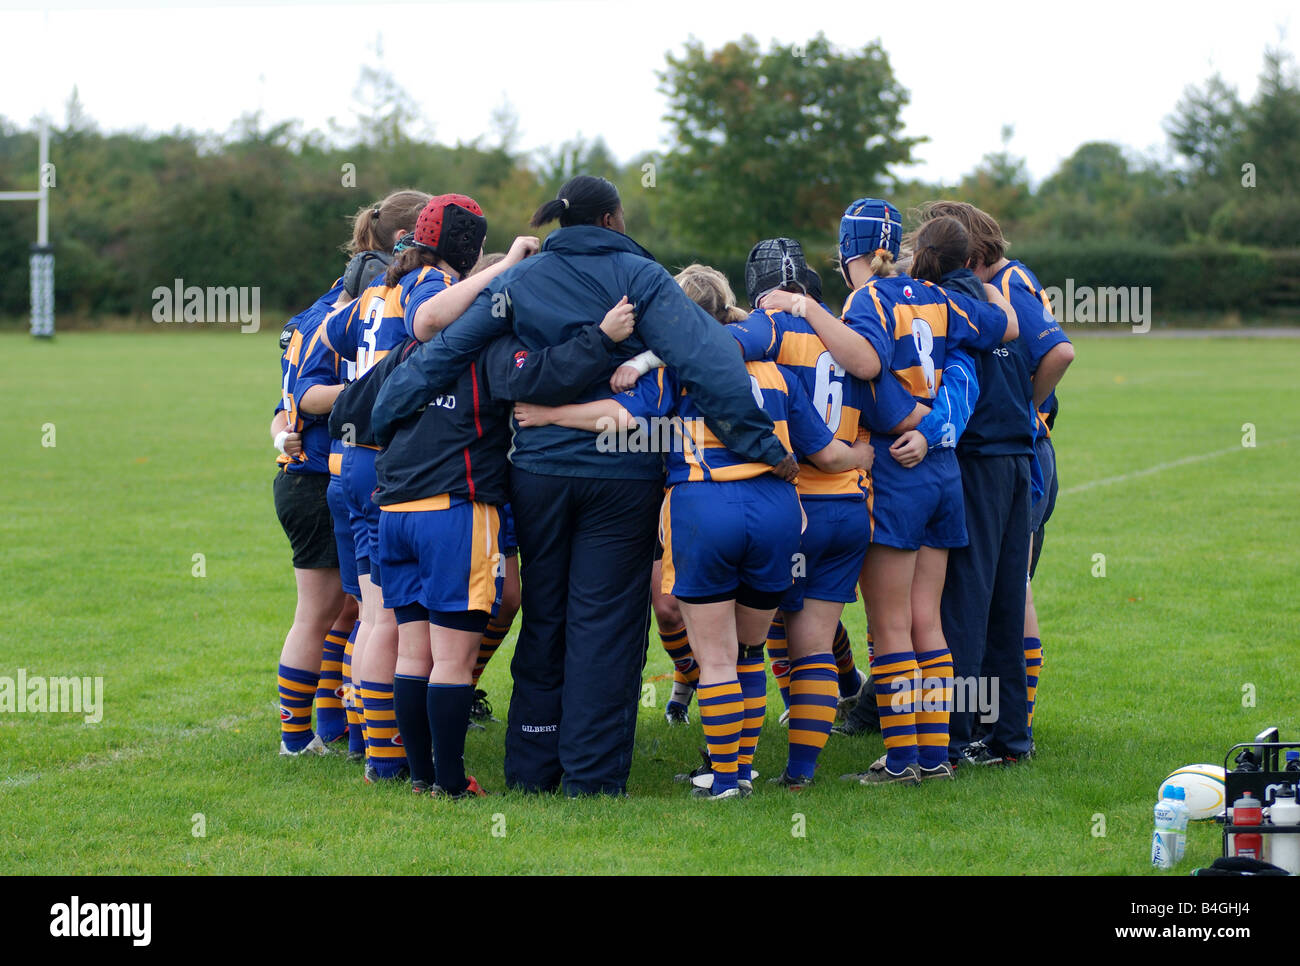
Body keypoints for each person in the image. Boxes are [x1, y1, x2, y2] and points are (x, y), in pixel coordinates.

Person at [373, 175, 795, 797]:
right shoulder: (642, 276)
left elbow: (449, 346)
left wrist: (388, 404)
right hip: (620, 473)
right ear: (612, 218)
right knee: (606, 621)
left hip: (539, 473)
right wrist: (762, 443)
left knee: (548, 613)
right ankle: (592, 777)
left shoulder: (523, 277)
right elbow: (708, 358)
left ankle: (533, 766)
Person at [514, 292, 871, 799]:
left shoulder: (677, 366)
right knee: (749, 650)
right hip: (777, 513)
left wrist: (550, 415)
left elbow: (621, 419)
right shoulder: (780, 375)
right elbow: (828, 455)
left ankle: (727, 779)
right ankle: (746, 770)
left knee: (718, 658)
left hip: (707, 506)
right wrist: (865, 454)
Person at [788, 200, 1017, 785]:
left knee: (891, 627)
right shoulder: (939, 296)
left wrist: (807, 308)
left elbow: (864, 361)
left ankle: (900, 761)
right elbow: (1005, 327)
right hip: (944, 472)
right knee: (927, 621)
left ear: (848, 257)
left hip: (896, 468)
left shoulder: (868, 298)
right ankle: (936, 755)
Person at [916, 201, 1073, 764]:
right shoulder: (996, 300)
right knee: (1007, 598)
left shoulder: (947, 306)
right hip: (1018, 459)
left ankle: (954, 738)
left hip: (979, 461)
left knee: (964, 600)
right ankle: (1009, 737)